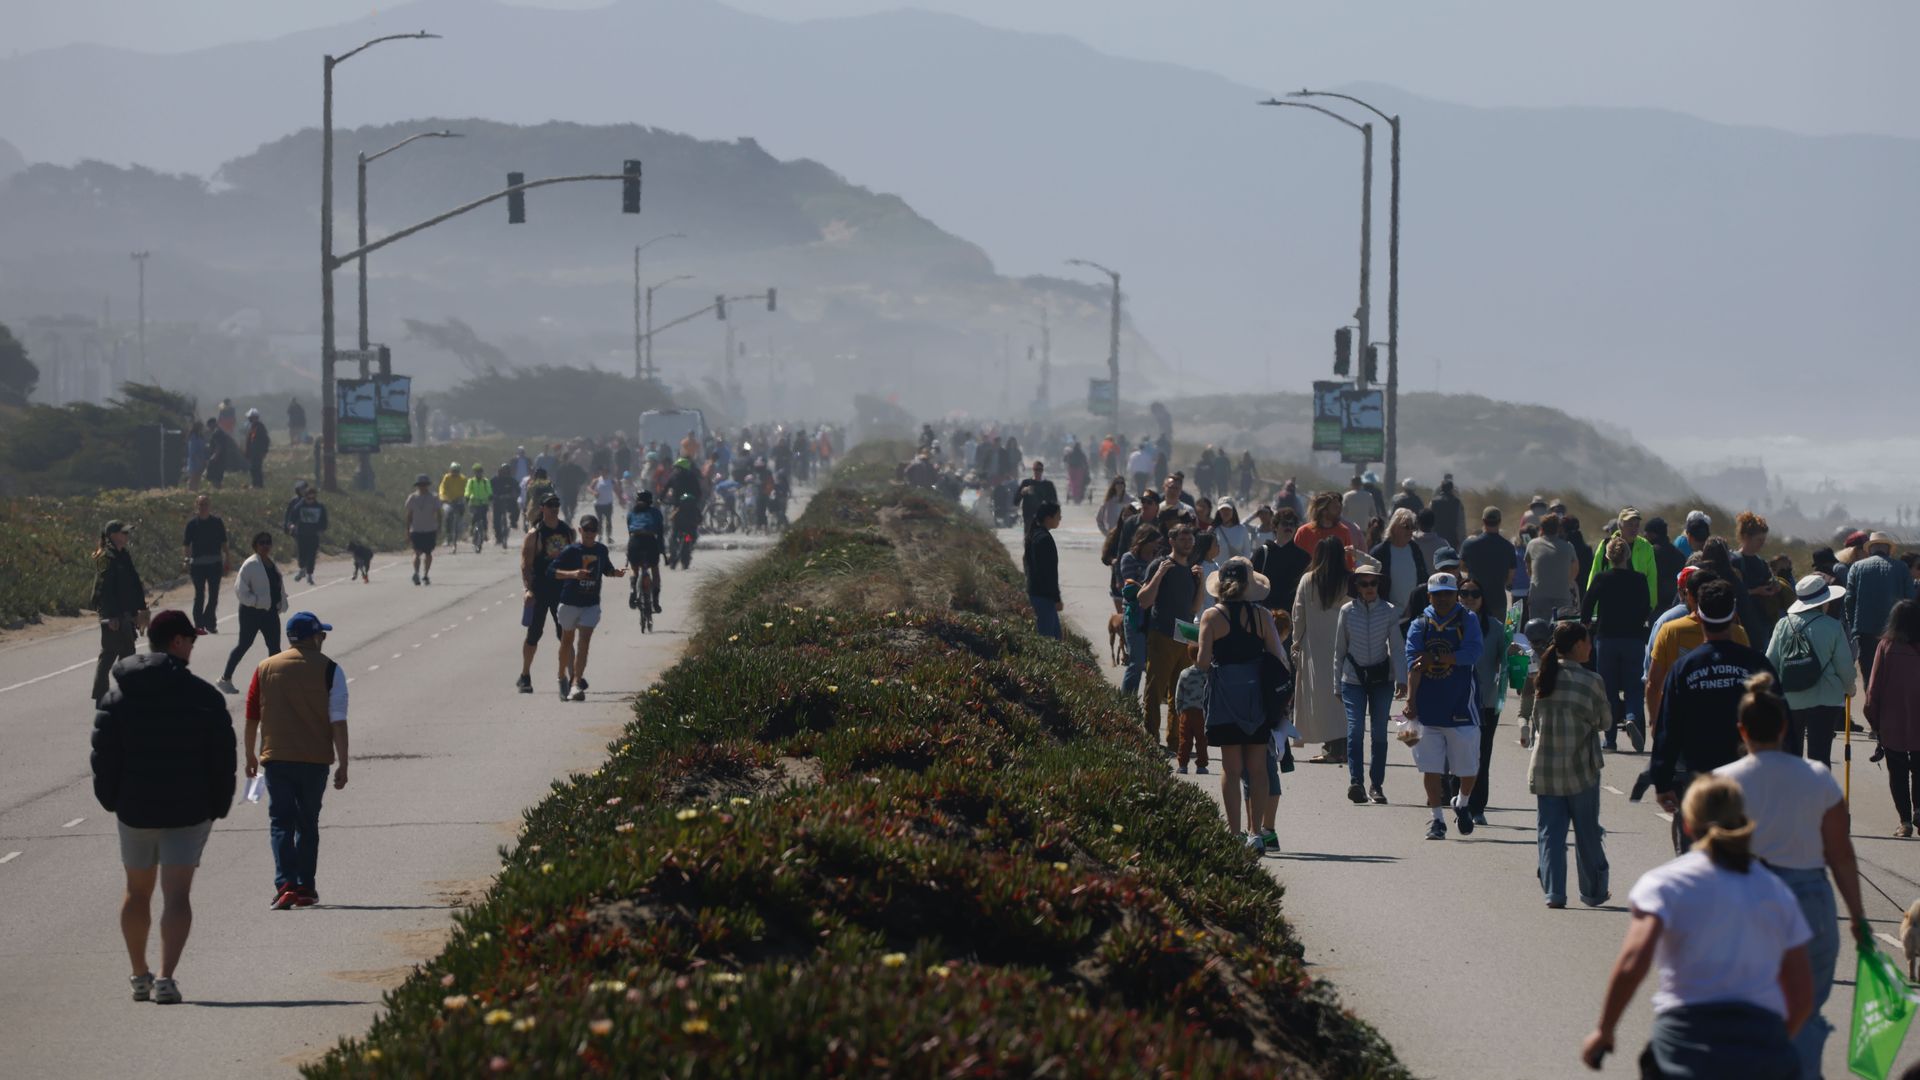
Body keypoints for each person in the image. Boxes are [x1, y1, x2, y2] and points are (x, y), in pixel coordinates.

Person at [1580, 775, 1812, 1078]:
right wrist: (1770, 1043)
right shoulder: (1775, 890)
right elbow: (1801, 991)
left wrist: (1605, 1029)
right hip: (1761, 1042)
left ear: (1687, 824)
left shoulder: (1665, 883)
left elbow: (1633, 962)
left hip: (1686, 1039)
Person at [1716, 673, 1870, 1076]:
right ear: (1785, 727)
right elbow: (1840, 854)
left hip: (1747, 903)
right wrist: (1857, 916)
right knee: (1806, 1010)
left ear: (1741, 729)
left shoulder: (1722, 782)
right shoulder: (1817, 777)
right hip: (1810, 902)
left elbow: (1708, 861)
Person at [89, 609, 234, 1006]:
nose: (192, 646)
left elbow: (104, 754)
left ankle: (139, 975)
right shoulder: (203, 696)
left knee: (137, 892)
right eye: (190, 640)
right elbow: (222, 757)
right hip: (188, 813)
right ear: (176, 642)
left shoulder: (118, 694)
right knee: (177, 896)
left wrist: (113, 800)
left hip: (135, 811)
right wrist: (218, 804)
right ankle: (167, 979)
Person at [1649, 581, 1773, 853]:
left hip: (1698, 772)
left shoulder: (1684, 668)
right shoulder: (1756, 663)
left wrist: (1662, 779)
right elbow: (1779, 721)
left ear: (1699, 614)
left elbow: (1668, 725)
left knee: (1696, 852)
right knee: (1741, 852)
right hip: (1744, 772)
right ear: (1733, 613)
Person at [242, 611, 349, 911]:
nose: (323, 639)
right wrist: (344, 763)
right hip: (315, 760)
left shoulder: (264, 668)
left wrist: (250, 754)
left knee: (280, 822)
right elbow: (338, 720)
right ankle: (305, 887)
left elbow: (251, 715)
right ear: (313, 637)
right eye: (321, 635)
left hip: (276, 758)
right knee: (307, 822)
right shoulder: (330, 670)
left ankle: (285, 884)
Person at [1197, 557, 1286, 852]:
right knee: (1258, 768)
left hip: (1224, 697)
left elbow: (1201, 663)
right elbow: (1277, 656)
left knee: (1231, 768)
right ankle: (1255, 832)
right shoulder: (1261, 615)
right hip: (1256, 697)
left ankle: (1234, 833)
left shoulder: (1211, 616)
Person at [1526, 620, 1610, 908]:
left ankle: (1554, 892)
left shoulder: (1544, 677)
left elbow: (1536, 718)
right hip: (1582, 769)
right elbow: (1606, 721)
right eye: (1587, 641)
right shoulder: (1592, 681)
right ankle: (1593, 891)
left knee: (1550, 833)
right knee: (1587, 832)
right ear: (1576, 646)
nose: (1590, 646)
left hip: (1546, 768)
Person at [1404, 572, 1485, 839]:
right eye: (1437, 595)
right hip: (1428, 708)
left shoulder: (1467, 619)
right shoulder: (1420, 623)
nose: (1443, 599)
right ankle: (1437, 819)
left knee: (1468, 768)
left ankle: (1461, 803)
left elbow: (1473, 653)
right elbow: (1412, 660)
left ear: (1456, 595)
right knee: (1431, 767)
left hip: (1462, 706)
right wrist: (1411, 701)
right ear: (1429, 596)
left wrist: (1441, 657)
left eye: (1448, 594)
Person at [1334, 558, 1406, 804]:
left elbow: (1397, 648)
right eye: (1363, 583)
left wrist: (1402, 678)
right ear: (1356, 586)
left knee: (1379, 734)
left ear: (1378, 584)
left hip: (1381, 680)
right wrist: (1336, 684)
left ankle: (1376, 785)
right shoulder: (1346, 611)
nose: (1369, 587)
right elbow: (1339, 651)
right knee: (1354, 732)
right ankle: (1356, 782)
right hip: (1352, 679)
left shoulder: (1388, 611)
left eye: (1373, 583)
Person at [1767, 575, 1856, 768]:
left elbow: (1770, 662)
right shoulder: (1833, 626)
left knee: (1791, 757)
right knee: (1820, 756)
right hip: (1826, 699)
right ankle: (1820, 797)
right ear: (1824, 602)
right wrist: (1850, 688)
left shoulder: (1783, 624)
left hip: (1791, 698)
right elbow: (1844, 666)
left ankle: (1794, 796)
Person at [1584, 536, 1654, 751]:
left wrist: (1587, 626)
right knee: (1634, 687)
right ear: (1628, 555)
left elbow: (1587, 605)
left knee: (1609, 690)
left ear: (1608, 556)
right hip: (1633, 639)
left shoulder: (1602, 578)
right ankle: (1632, 716)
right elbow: (1646, 607)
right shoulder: (1640, 579)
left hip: (1607, 639)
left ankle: (1611, 739)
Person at [1138, 523, 1204, 748]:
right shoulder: (1161, 564)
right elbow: (1143, 600)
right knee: (1155, 689)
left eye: (1190, 539)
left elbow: (1194, 608)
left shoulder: (1192, 571)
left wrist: (1202, 582)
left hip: (1184, 635)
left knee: (1180, 692)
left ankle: (1176, 741)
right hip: (1161, 634)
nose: (1188, 542)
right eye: (1183, 539)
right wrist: (1159, 574)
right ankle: (1151, 738)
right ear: (1172, 541)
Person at [548, 515, 626, 702]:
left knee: (584, 642)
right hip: (569, 602)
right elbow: (551, 572)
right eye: (586, 530)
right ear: (580, 531)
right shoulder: (571, 551)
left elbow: (606, 569)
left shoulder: (601, 550)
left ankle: (575, 684)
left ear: (597, 532)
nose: (590, 533)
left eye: (593, 530)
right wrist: (573, 574)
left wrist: (616, 573)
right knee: (567, 641)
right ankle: (561, 678)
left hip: (590, 604)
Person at [1291, 536, 1353, 764]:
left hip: (1315, 646)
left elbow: (1298, 614)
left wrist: (1296, 641)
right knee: (1341, 696)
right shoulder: (1349, 581)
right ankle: (1340, 745)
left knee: (1320, 697)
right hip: (1344, 642)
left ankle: (1332, 746)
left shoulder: (1308, 580)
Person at [1865, 600, 1920, 837]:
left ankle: (1905, 822)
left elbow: (1873, 688)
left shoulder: (1886, 646)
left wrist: (1874, 721)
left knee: (1897, 773)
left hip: (1892, 722)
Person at [1461, 576, 1511, 824]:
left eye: (1474, 594)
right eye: (1464, 593)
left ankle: (1477, 807)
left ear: (1482, 599)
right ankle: (1459, 799)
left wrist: (1515, 654)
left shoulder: (1495, 627)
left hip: (1487, 701)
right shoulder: (1450, 625)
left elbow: (1507, 659)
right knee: (1457, 752)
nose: (1469, 598)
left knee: (1482, 753)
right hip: (1456, 698)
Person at [517, 494, 576, 694]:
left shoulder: (567, 531)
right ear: (542, 508)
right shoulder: (535, 534)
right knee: (534, 634)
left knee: (565, 635)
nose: (554, 508)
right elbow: (526, 565)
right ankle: (525, 675)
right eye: (550, 505)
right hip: (540, 590)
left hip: (562, 590)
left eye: (557, 505)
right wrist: (528, 590)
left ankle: (573, 678)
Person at [218, 532, 286, 695]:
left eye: (268, 542)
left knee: (275, 648)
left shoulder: (271, 563)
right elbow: (240, 590)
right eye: (262, 543)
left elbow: (276, 586)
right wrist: (255, 601)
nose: (265, 546)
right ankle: (225, 679)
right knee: (244, 644)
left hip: (270, 612)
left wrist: (281, 601)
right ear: (255, 545)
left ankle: (273, 683)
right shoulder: (250, 564)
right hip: (251, 613)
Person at [91, 520, 150, 703]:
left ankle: (128, 695)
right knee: (108, 655)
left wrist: (141, 608)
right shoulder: (105, 558)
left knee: (128, 657)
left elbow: (134, 584)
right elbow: (102, 591)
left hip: (127, 615)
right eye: (123, 533)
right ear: (113, 535)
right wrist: (108, 617)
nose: (126, 536)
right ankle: (101, 696)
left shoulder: (124, 555)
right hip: (113, 617)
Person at [1844, 531, 1912, 688]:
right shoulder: (1901, 568)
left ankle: (1870, 706)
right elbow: (1910, 600)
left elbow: (1849, 599)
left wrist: (1853, 624)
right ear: (1888, 549)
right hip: (1895, 632)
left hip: (1865, 631)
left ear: (1870, 549)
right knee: (1893, 675)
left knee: (1869, 674)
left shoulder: (1856, 567)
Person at [1115, 525, 1162, 697]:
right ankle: (1126, 700)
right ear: (1144, 541)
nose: (1157, 547)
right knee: (1136, 662)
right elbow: (1131, 587)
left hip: (1153, 616)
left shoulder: (1157, 561)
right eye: (1154, 543)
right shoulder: (1129, 558)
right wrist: (1152, 580)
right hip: (1135, 614)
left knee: (1151, 663)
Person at [181, 495, 229, 634]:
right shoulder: (192, 524)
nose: (204, 507)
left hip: (215, 563)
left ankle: (210, 622)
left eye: (206, 504)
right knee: (199, 595)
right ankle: (199, 624)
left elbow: (223, 542)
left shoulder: (217, 522)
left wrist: (227, 558)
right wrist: (186, 559)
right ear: (196, 506)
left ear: (210, 505)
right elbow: (186, 544)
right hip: (198, 564)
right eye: (201, 504)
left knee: (214, 595)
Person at [1369, 508, 1429, 616]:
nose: (1410, 531)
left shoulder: (1414, 549)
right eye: (1406, 527)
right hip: (1387, 614)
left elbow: (1423, 577)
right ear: (1395, 527)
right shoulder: (1380, 552)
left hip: (1413, 613)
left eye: (1413, 527)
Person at [1459, 506, 1516, 618]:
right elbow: (1510, 578)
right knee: (1496, 634)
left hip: (1474, 600)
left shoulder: (1469, 545)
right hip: (1498, 601)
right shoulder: (1508, 547)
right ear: (1499, 522)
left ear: (1483, 521)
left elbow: (1461, 567)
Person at [1525, 514, 1579, 623]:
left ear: (1541, 528)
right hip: (1562, 597)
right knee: (1562, 632)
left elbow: (1529, 569)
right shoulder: (1568, 547)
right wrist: (1566, 582)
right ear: (1558, 529)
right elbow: (1575, 569)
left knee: (1538, 631)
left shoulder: (1532, 544)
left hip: (1538, 597)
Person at [1025, 501, 1064, 640]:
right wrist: (1056, 598)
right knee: (1049, 638)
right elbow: (1049, 572)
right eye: (1058, 516)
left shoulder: (1035, 534)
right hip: (1044, 595)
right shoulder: (1044, 539)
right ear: (1049, 518)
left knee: (1056, 636)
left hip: (1037, 591)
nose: (1060, 519)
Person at [625, 490, 666, 615]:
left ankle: (633, 590)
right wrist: (663, 553)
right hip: (650, 542)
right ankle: (655, 601)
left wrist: (628, 554)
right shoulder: (656, 513)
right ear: (650, 501)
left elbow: (629, 532)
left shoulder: (631, 513)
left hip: (634, 542)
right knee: (655, 571)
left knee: (634, 568)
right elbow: (660, 535)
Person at [1293, 491, 1357, 565]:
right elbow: (1294, 560)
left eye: (1339, 507)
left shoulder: (1344, 532)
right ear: (1323, 511)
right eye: (1335, 507)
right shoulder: (1304, 532)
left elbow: (1349, 563)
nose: (1339, 511)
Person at [1644, 517, 1686, 615]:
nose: (1644, 536)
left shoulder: (1650, 553)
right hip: (1674, 604)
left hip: (1656, 605)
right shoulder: (1679, 555)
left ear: (1652, 534)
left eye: (1646, 533)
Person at [288, 486, 327, 584]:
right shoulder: (300, 506)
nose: (311, 501)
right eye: (309, 498)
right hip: (301, 533)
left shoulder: (319, 507)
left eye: (313, 498)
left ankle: (309, 575)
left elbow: (324, 520)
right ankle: (302, 569)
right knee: (302, 554)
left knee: (312, 555)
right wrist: (291, 525)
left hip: (313, 534)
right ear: (305, 497)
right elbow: (292, 516)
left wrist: (321, 529)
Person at [1016, 460, 1060, 530]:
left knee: (1041, 537)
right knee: (1029, 537)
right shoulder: (1026, 483)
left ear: (1042, 470)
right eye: (1036, 470)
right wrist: (1022, 492)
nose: (1037, 472)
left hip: (1043, 517)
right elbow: (1016, 501)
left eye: (1040, 470)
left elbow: (1054, 501)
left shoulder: (1048, 485)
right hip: (1028, 515)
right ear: (1033, 470)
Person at [1428, 474, 1465, 548]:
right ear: (1451, 489)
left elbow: (1429, 520)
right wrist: (1461, 540)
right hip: (1452, 539)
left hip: (1436, 538)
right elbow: (1460, 523)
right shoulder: (1457, 502)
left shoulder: (1433, 502)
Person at [438, 462, 466, 553]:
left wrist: (464, 497)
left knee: (461, 511)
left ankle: (461, 530)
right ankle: (448, 537)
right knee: (448, 514)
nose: (455, 473)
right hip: (448, 500)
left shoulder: (463, 479)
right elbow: (442, 488)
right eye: (453, 471)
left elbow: (466, 489)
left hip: (459, 500)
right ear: (450, 470)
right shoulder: (447, 477)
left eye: (457, 471)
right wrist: (443, 497)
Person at [465, 462, 493, 552]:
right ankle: (471, 530)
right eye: (477, 472)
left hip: (483, 503)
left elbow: (489, 489)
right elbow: (468, 490)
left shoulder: (485, 481)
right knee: (474, 518)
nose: (479, 473)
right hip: (474, 503)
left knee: (484, 519)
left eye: (480, 472)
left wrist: (490, 495)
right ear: (474, 472)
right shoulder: (471, 481)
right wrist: (467, 496)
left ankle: (484, 533)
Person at [242, 408, 270, 489]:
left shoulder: (260, 427)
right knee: (253, 469)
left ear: (254, 417)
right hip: (252, 453)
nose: (249, 419)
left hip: (258, 453)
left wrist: (264, 451)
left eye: (250, 417)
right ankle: (256, 484)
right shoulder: (252, 427)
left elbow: (266, 440)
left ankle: (258, 485)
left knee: (256, 468)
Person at [183, 419, 207, 490]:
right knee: (193, 478)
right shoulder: (193, 437)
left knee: (198, 479)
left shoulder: (200, 437)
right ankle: (191, 491)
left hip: (201, 460)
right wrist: (198, 459)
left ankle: (195, 490)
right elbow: (193, 450)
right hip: (195, 460)